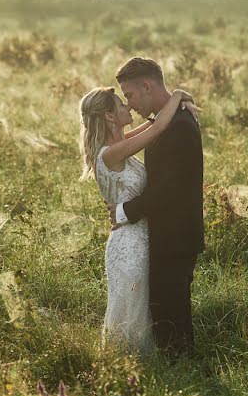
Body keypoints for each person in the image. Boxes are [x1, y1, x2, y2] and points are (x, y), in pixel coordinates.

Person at [79, 83, 197, 354]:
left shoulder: (117, 145)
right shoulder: (111, 153)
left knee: (143, 311)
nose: (128, 106)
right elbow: (156, 129)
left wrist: (172, 107)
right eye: (122, 104)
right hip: (130, 244)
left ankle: (143, 367)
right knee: (132, 315)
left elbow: (155, 124)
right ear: (109, 116)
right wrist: (177, 95)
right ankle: (129, 367)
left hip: (137, 236)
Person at [108, 57, 205, 356]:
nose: (130, 104)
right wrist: (178, 96)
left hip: (176, 237)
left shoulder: (180, 126)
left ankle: (186, 378)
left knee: (173, 321)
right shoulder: (165, 122)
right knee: (163, 315)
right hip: (161, 235)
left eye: (130, 95)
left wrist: (123, 212)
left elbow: (169, 189)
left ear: (147, 86)